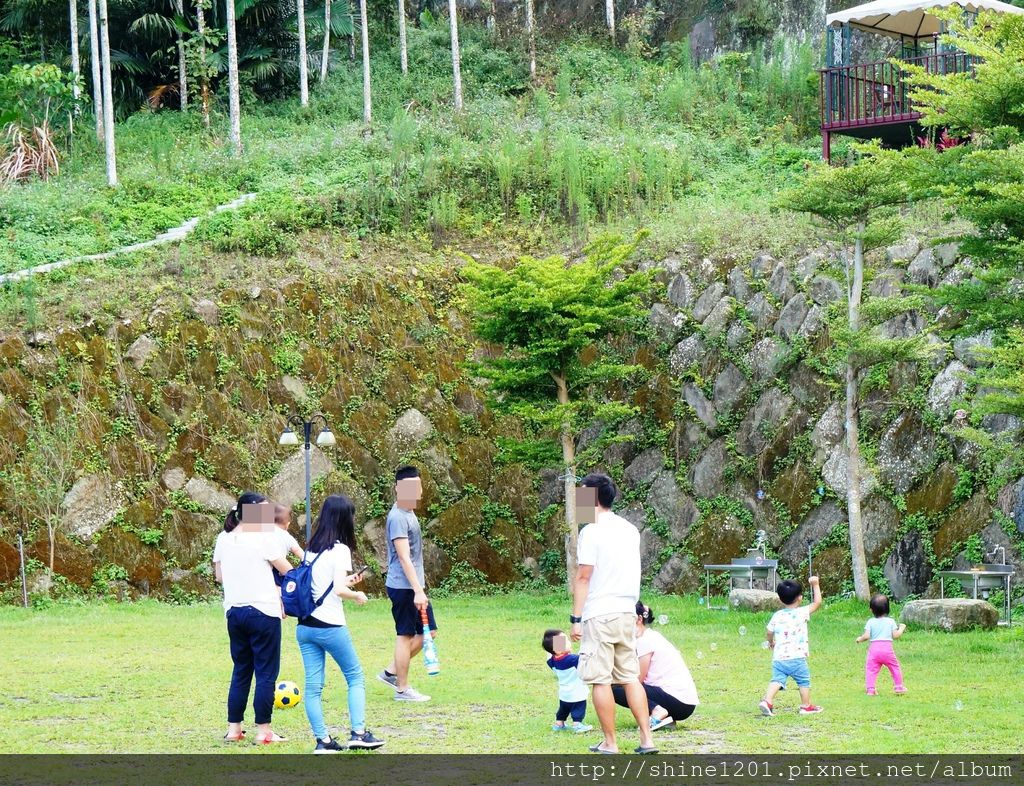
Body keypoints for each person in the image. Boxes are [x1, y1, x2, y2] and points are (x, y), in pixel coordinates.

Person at [569, 473, 657, 755]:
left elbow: (584, 576)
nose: (577, 501)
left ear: (592, 498)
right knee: (630, 677)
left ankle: (610, 742)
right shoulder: (630, 529)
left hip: (600, 613)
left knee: (600, 679)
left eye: (581, 495)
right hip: (625, 613)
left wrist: (576, 618)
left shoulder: (590, 531)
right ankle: (646, 739)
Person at [295, 495, 385, 753]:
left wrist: (349, 583)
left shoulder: (311, 549)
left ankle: (323, 742)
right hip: (330, 625)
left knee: (313, 687)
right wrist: (356, 594)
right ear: (344, 519)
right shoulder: (340, 549)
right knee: (355, 676)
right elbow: (337, 589)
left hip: (305, 627)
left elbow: (322, 584)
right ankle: (358, 732)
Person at [212, 491, 293, 744]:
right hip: (263, 612)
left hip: (234, 612)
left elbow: (220, 576)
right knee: (266, 672)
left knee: (241, 670)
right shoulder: (263, 538)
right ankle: (264, 731)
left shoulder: (224, 539)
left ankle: (234, 729)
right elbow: (286, 569)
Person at [377, 465, 437, 702]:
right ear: (398, 489)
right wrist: (418, 590)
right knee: (405, 635)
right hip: (404, 587)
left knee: (429, 632)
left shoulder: (409, 513)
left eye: (418, 486)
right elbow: (403, 557)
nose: (416, 491)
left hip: (412, 586)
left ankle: (391, 672)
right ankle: (402, 689)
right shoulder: (398, 518)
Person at [612, 602, 699, 731]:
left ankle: (657, 710)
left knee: (616, 689)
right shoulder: (651, 636)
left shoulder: (644, 641)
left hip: (677, 700)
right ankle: (665, 718)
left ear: (639, 619)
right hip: (685, 704)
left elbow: (638, 679)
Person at [758, 576, 823, 717]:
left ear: (780, 599)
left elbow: (769, 632)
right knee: (803, 681)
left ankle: (767, 701)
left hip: (779, 658)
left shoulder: (777, 615)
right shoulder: (802, 612)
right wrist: (815, 584)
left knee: (777, 680)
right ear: (800, 598)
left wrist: (771, 642)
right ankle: (806, 706)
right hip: (797, 657)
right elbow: (817, 602)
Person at [542, 629, 593, 734]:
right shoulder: (573, 659)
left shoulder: (552, 661)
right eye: (564, 642)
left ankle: (559, 723)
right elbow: (585, 659)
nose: (569, 642)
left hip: (564, 693)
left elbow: (549, 654)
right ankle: (577, 724)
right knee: (579, 707)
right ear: (558, 650)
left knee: (563, 708)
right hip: (577, 691)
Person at [855, 593, 907, 695]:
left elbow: (866, 636)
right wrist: (901, 628)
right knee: (894, 667)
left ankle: (870, 689)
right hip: (887, 650)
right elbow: (895, 635)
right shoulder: (890, 621)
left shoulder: (870, 622)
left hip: (874, 651)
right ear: (888, 609)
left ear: (871, 610)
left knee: (870, 669)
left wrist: (859, 639)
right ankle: (899, 687)